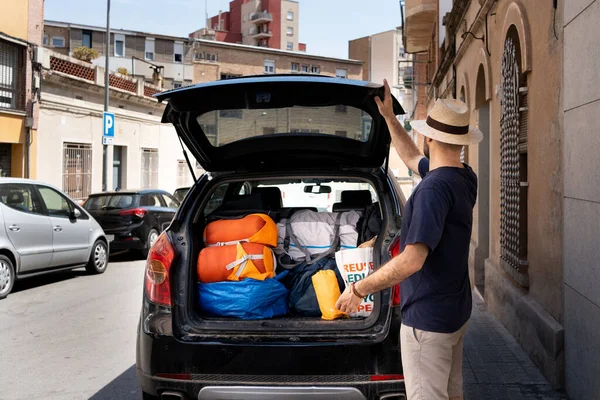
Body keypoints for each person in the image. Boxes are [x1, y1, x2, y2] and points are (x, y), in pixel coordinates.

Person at [336, 79, 483, 400]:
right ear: (461, 141)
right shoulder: (463, 177)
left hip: (428, 321)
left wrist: (359, 289)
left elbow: (413, 260)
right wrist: (389, 118)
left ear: (429, 136)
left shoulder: (433, 189)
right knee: (451, 395)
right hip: (454, 314)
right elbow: (412, 158)